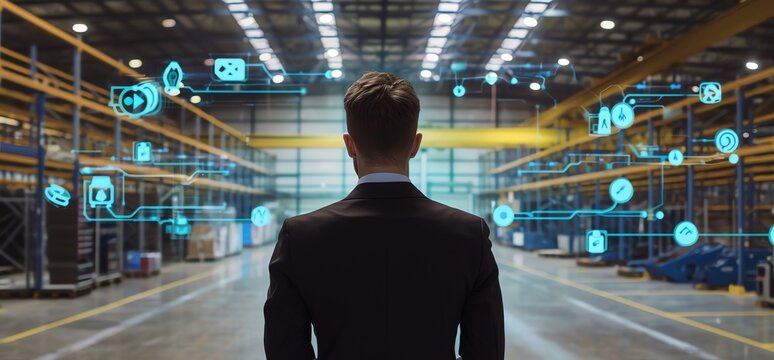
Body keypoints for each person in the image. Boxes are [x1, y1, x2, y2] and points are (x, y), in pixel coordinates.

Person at [264, 72, 505, 360]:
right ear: (415, 144)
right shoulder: (469, 234)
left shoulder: (299, 236)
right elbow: (487, 351)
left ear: (349, 145)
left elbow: (284, 350)